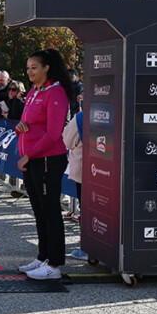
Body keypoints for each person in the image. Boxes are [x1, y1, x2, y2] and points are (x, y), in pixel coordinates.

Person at [15, 49, 75, 280]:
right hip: (33, 158)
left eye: (34, 67)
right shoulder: (33, 92)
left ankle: (55, 263)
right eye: (28, 67)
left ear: (46, 68)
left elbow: (53, 133)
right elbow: (27, 123)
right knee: (39, 210)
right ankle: (43, 257)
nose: (29, 71)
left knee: (50, 210)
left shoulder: (55, 92)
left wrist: (29, 154)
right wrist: (20, 127)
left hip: (48, 159)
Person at [63, 110, 88, 261]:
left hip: (84, 169)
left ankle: (86, 248)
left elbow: (67, 140)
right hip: (109, 170)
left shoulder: (81, 117)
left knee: (86, 208)